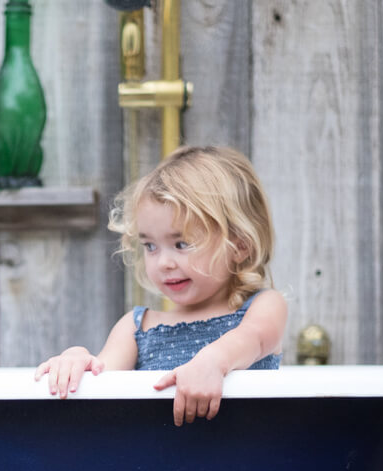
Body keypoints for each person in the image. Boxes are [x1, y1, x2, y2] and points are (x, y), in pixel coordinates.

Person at [34, 145, 287, 425]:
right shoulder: (136, 327)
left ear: (239, 246)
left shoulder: (263, 306)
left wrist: (215, 361)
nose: (163, 262)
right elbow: (102, 380)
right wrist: (77, 361)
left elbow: (254, 339)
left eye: (181, 244)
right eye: (150, 246)